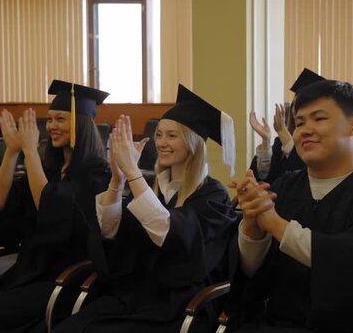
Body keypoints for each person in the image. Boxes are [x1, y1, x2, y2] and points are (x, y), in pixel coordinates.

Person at [229, 78, 353, 332]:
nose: (304, 130)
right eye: (300, 122)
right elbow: (251, 272)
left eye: (319, 119)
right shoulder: (283, 188)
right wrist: (252, 226)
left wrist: (274, 223)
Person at [52, 84, 239, 333]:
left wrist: (132, 173)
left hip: (178, 304)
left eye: (172, 136)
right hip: (136, 294)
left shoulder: (213, 196)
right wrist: (117, 180)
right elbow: (110, 232)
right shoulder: (156, 188)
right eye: (159, 134)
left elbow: (170, 233)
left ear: (193, 143)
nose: (161, 142)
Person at [0, 80, 111, 333]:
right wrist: (11, 152)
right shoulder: (49, 168)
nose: (51, 126)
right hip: (29, 271)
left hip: (65, 278)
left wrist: (30, 151)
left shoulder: (97, 174)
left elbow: (52, 208)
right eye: (50, 119)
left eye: (60, 119)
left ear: (80, 125)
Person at [249, 68, 321, 184]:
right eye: (295, 104)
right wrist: (266, 142)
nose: (297, 109)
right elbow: (262, 177)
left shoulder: (318, 143)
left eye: (303, 105)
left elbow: (303, 176)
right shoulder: (280, 143)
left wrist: (283, 132)